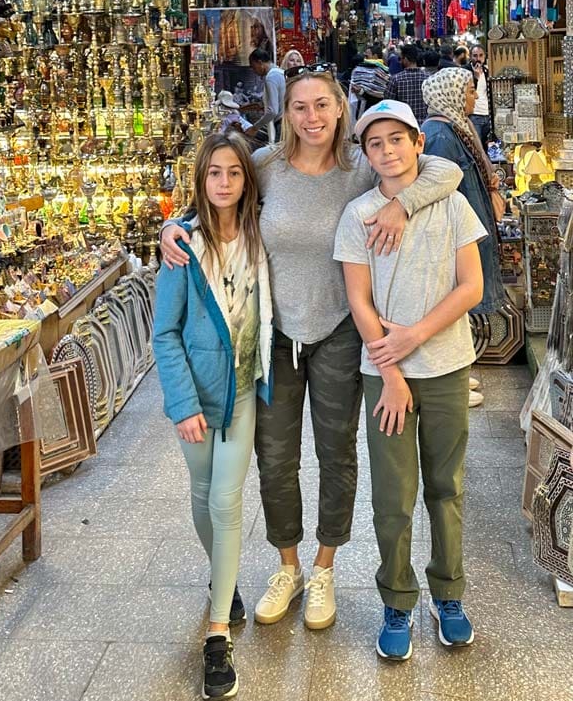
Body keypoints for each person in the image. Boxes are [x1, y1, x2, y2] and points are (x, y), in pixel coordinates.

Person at [160, 65, 462, 634]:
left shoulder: (357, 169)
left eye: (322, 105)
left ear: (340, 108)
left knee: (336, 452)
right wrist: (173, 227)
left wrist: (402, 204)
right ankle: (289, 565)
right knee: (275, 457)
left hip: (342, 332)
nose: (312, 117)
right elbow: (217, 192)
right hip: (273, 332)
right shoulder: (265, 167)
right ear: (285, 113)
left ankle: (324, 567)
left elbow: (442, 170)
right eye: (300, 107)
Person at [334, 99, 485, 661]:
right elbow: (358, 298)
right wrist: (391, 370)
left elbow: (470, 286)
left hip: (446, 365)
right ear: (366, 155)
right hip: (386, 378)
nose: (389, 151)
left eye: (398, 139)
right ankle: (397, 598)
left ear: (419, 144)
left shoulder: (449, 203)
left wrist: (414, 336)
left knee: (447, 487)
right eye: (376, 143)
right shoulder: (359, 215)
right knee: (394, 497)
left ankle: (449, 593)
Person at [153, 132, 274, 700]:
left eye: (234, 172)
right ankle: (221, 581)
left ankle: (218, 631)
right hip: (196, 399)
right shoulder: (183, 248)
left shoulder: (259, 234)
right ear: (200, 182)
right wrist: (181, 405)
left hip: (243, 390)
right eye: (213, 174)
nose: (224, 183)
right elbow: (164, 333)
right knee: (202, 493)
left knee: (226, 499)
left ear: (247, 180)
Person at [421, 68, 507, 407]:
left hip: (465, 226)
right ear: (453, 95)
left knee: (460, 306)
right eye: (470, 91)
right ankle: (452, 382)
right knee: (454, 303)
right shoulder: (440, 134)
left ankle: (458, 372)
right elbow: (439, 189)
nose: (474, 97)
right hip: (452, 233)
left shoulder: (454, 127)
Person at [247, 47, 285, 142]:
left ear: (260, 63)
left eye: (254, 67)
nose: (254, 71)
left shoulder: (271, 77)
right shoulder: (280, 72)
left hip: (282, 125)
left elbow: (272, 111)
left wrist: (255, 128)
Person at [384, 44, 428, 125]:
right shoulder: (428, 78)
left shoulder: (396, 79)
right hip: (425, 125)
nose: (399, 61)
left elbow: (388, 103)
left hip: (404, 125)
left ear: (406, 59)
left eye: (400, 58)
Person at [465, 44, 494, 150]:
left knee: (486, 147)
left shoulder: (487, 71)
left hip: (487, 114)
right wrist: (475, 77)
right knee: (477, 147)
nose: (478, 59)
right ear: (470, 57)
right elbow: (470, 92)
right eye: (475, 55)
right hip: (474, 114)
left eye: (481, 55)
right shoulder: (466, 71)